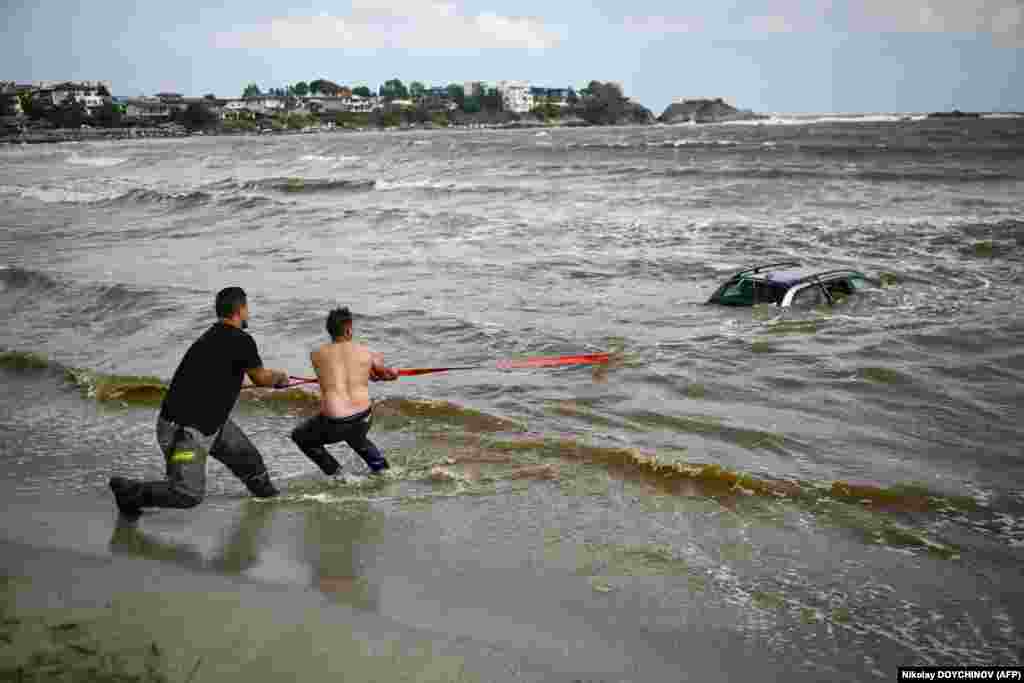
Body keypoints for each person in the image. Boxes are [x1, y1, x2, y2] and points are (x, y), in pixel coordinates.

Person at [108, 287, 291, 516]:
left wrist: (258, 381)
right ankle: (130, 493)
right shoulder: (241, 340)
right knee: (187, 494)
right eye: (247, 309)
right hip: (185, 432)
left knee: (251, 464)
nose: (248, 313)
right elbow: (260, 377)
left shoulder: (210, 337)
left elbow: (222, 378)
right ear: (241, 309)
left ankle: (270, 506)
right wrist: (280, 379)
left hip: (210, 425)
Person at [290, 306, 398, 477]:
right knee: (356, 435)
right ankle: (382, 469)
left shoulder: (316, 354)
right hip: (363, 417)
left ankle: (338, 475)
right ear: (349, 329)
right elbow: (386, 375)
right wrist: (392, 373)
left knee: (300, 437)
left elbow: (336, 373)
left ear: (329, 331)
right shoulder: (367, 352)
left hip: (335, 422)